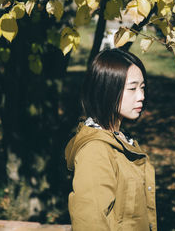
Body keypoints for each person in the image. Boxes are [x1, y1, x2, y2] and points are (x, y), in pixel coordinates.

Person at [65, 48, 157, 231]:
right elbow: (89, 224)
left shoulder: (122, 140)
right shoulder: (96, 151)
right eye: (132, 88)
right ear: (106, 90)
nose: (142, 97)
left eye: (142, 87)